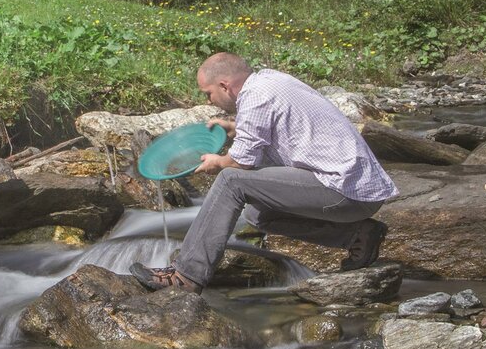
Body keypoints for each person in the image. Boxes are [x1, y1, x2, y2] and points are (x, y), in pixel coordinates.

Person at [130, 52, 398, 293]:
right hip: (355, 190)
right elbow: (269, 133)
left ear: (225, 86)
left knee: (230, 181)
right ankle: (357, 235)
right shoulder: (268, 81)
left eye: (208, 93)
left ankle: (186, 275)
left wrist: (218, 162)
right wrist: (234, 128)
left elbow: (241, 163)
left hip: (344, 190)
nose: (209, 101)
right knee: (258, 213)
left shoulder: (255, 97)